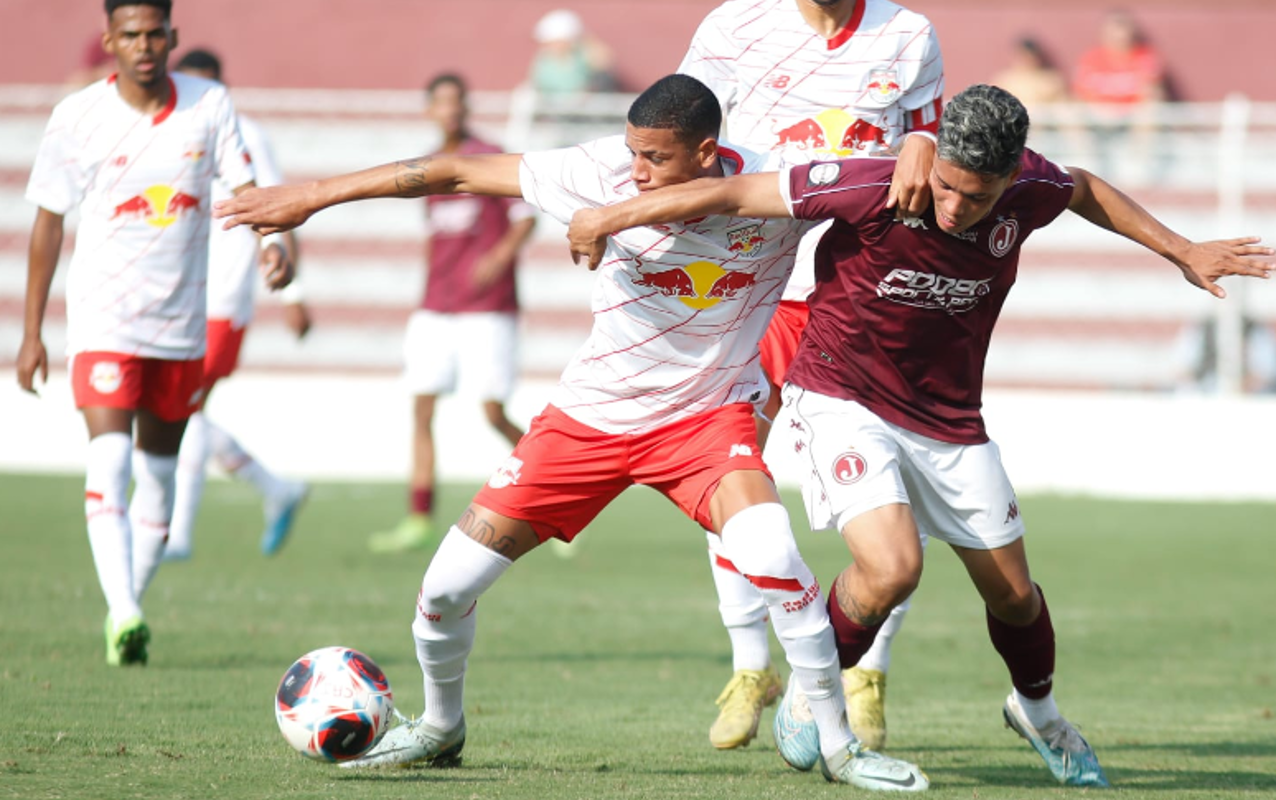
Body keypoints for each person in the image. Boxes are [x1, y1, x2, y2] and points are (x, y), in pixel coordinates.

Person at [217, 74, 930, 791]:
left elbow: (879, 185)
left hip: (705, 423)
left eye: (653, 158)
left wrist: (920, 148)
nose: (636, 171)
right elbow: (456, 170)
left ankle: (839, 746)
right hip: (587, 422)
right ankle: (440, 726)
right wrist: (313, 196)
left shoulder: (773, 186)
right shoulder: (596, 171)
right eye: (632, 152)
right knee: (444, 591)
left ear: (708, 151)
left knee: (775, 555)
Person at [564, 83, 1272, 787]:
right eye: (948, 189)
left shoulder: (1031, 187)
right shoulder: (876, 185)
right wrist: (611, 217)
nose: (957, 207)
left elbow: (1084, 187)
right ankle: (819, 698)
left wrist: (1182, 250)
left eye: (978, 196)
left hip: (949, 418)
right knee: (894, 567)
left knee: (1015, 598)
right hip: (842, 394)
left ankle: (1038, 713)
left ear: (1010, 177)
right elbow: (730, 195)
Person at [677, 0, 944, 752]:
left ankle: (869, 666)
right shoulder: (733, 26)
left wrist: (924, 138)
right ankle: (749, 665)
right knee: (728, 466)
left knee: (902, 474)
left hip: (872, 294)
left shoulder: (910, 34)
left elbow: (927, 134)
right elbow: (686, 136)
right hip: (760, 286)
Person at [17, 0, 291, 666]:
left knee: (159, 475)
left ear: (172, 36)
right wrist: (31, 333)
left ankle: (128, 613)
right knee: (109, 458)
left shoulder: (209, 104)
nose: (144, 45)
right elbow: (48, 224)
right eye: (130, 34)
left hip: (181, 325)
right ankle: (124, 609)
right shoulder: (77, 116)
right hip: (104, 319)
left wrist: (273, 243)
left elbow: (247, 186)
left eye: (155, 33)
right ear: (109, 39)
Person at [368, 73, 536, 554]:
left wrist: (497, 258)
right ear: (429, 110)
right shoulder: (428, 167)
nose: (450, 110)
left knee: (492, 412)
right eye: (441, 102)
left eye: (457, 101)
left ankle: (552, 501)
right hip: (435, 307)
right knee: (421, 408)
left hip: (486, 308)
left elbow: (525, 221)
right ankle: (418, 517)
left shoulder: (488, 155)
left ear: (466, 106)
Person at [165, 48, 310, 562]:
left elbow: (276, 209)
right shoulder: (171, 130)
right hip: (175, 296)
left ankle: (176, 533)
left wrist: (292, 290)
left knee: (182, 409)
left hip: (223, 297)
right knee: (181, 411)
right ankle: (276, 488)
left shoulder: (243, 134)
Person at [1072, 9, 1168, 180]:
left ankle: (1139, 163)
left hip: (1131, 114)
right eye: (1114, 31)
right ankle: (1086, 160)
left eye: (1122, 31)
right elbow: (1079, 92)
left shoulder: (1144, 56)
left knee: (1151, 109)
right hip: (1098, 113)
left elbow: (1153, 91)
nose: (1119, 37)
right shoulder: (1092, 57)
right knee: (1068, 111)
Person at [528, 8, 618, 95]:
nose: (553, 47)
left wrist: (586, 40)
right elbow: (536, 85)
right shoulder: (544, 60)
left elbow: (605, 62)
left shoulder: (583, 55)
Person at [991, 37, 1069, 112]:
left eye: (1029, 56)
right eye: (1023, 56)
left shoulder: (1051, 80)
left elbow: (1064, 108)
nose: (1026, 60)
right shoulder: (1006, 80)